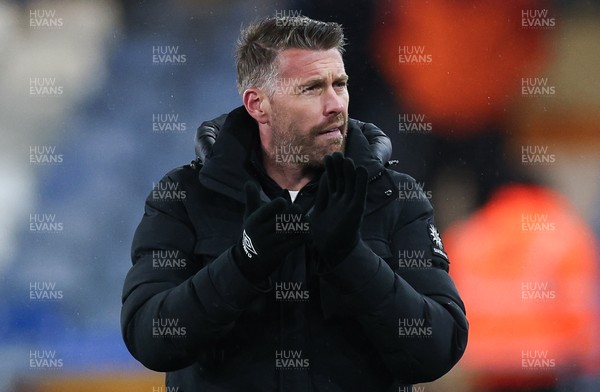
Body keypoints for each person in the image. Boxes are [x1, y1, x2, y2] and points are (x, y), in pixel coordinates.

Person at [121, 15, 468, 391]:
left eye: (340, 84)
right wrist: (243, 264)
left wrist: (350, 258)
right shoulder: (184, 196)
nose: (335, 104)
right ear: (258, 105)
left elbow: (439, 349)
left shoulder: (394, 196)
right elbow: (151, 340)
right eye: (312, 88)